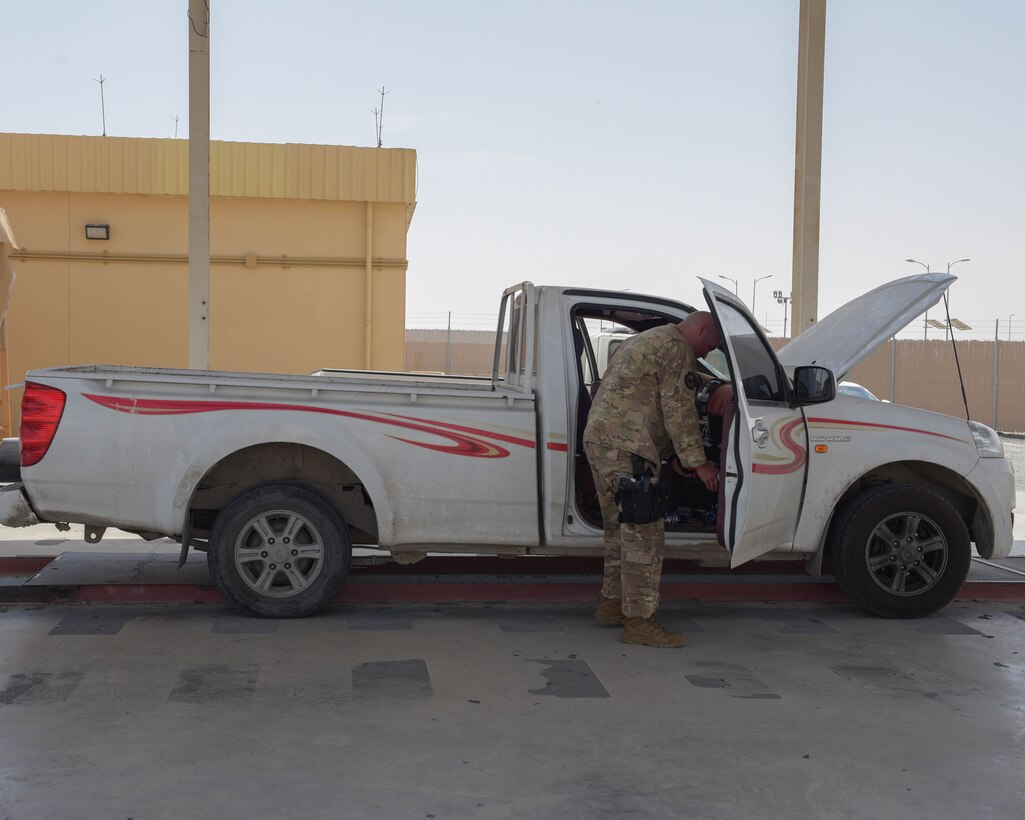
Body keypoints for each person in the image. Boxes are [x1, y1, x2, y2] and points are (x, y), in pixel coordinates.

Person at [583, 312, 721, 648]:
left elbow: (647, 400)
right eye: (710, 345)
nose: (705, 354)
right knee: (644, 536)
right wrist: (698, 463)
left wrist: (673, 456)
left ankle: (613, 605)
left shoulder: (647, 340)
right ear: (701, 329)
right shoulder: (676, 349)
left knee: (620, 528)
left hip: (603, 442)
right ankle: (640, 623)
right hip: (629, 448)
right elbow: (678, 409)